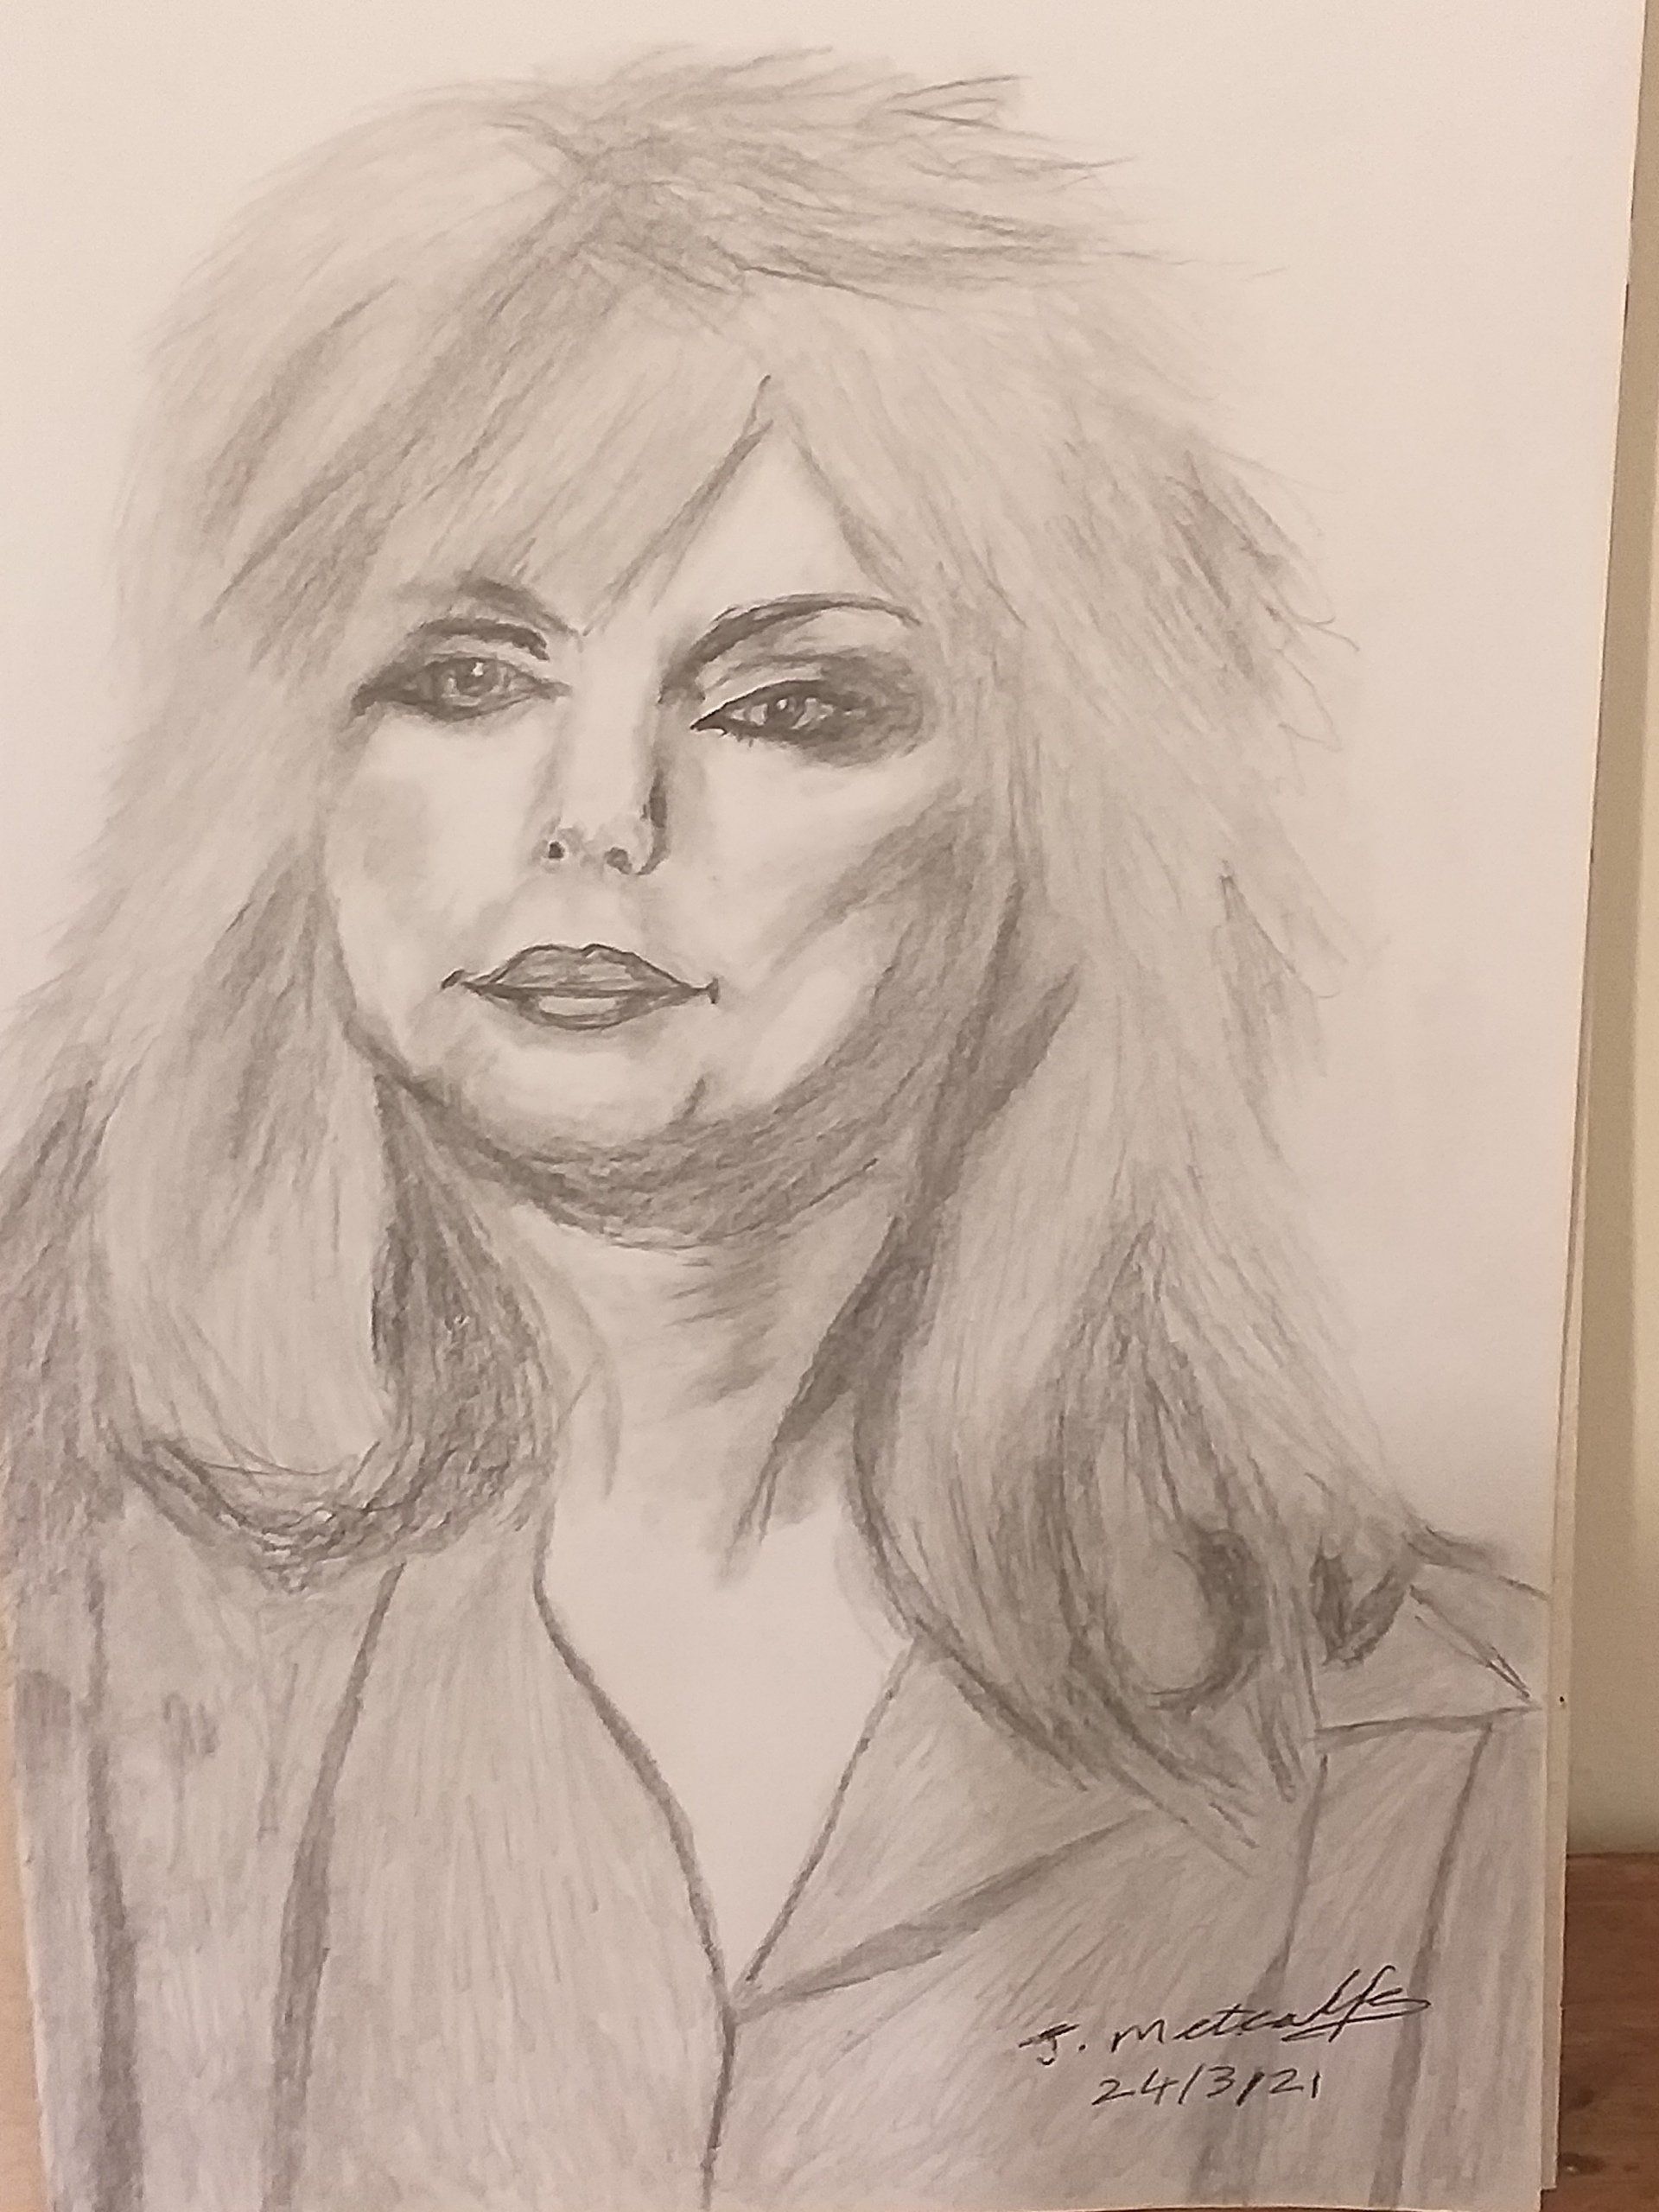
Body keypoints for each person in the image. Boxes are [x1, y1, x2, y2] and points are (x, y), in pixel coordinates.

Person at [0, 54, 1545, 2212]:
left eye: (789, 703)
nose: (595, 817)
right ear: (285, 772)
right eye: (466, 672)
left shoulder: (1417, 1731)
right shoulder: (72, 1630)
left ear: (1050, 826)